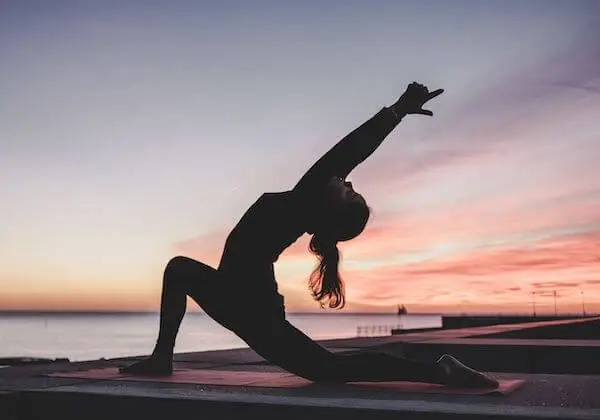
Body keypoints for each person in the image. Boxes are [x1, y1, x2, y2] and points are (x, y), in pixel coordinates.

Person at [120, 82, 498, 388]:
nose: (347, 181)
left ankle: (437, 371)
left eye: (349, 191)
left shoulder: (304, 201)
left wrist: (397, 111)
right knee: (178, 269)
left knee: (329, 370)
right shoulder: (301, 207)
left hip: (250, 307)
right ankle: (162, 358)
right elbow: (346, 160)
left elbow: (349, 151)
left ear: (329, 211)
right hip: (235, 295)